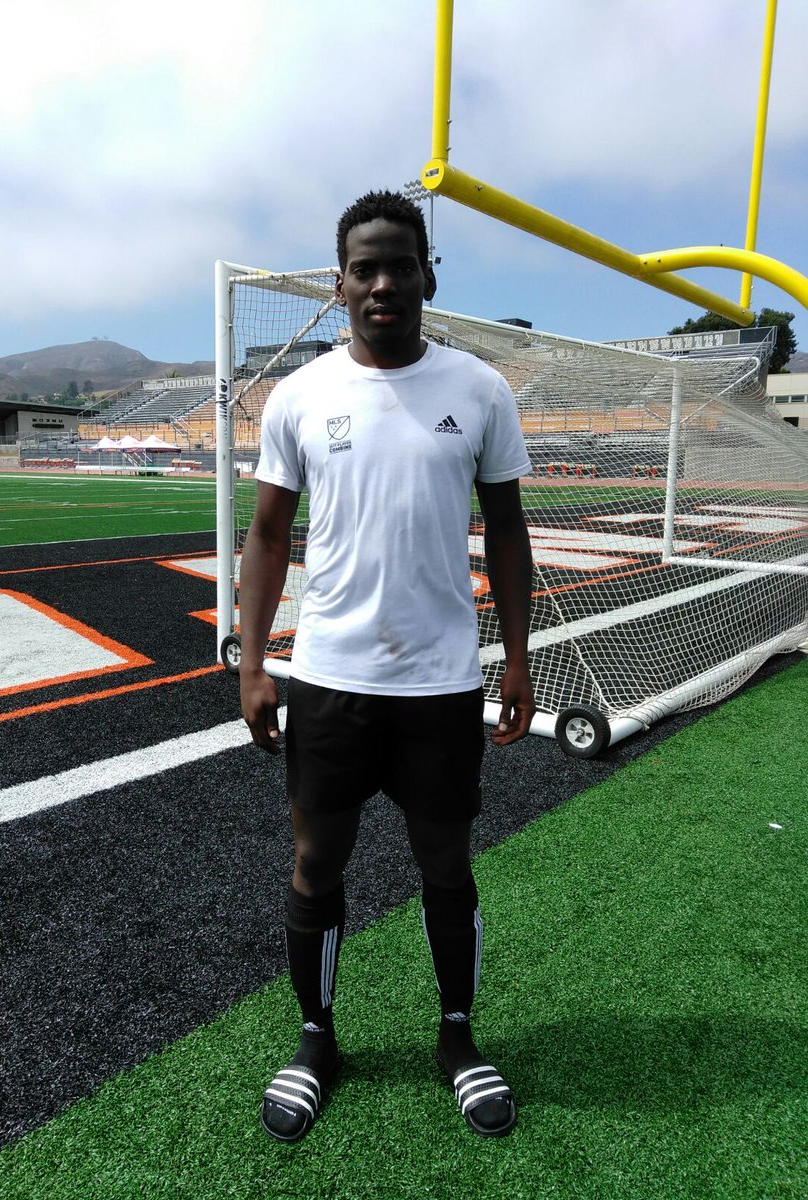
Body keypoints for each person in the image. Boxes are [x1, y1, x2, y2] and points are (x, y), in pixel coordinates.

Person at [237, 189, 534, 1142]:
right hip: (328, 680)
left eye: (399, 265)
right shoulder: (301, 394)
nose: (381, 283)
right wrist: (254, 663)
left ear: (427, 275)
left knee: (445, 861)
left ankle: (457, 1036)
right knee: (317, 860)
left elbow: (513, 534)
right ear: (339, 283)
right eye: (364, 267)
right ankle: (317, 1036)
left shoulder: (480, 390)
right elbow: (268, 535)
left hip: (442, 684)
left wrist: (518, 657)